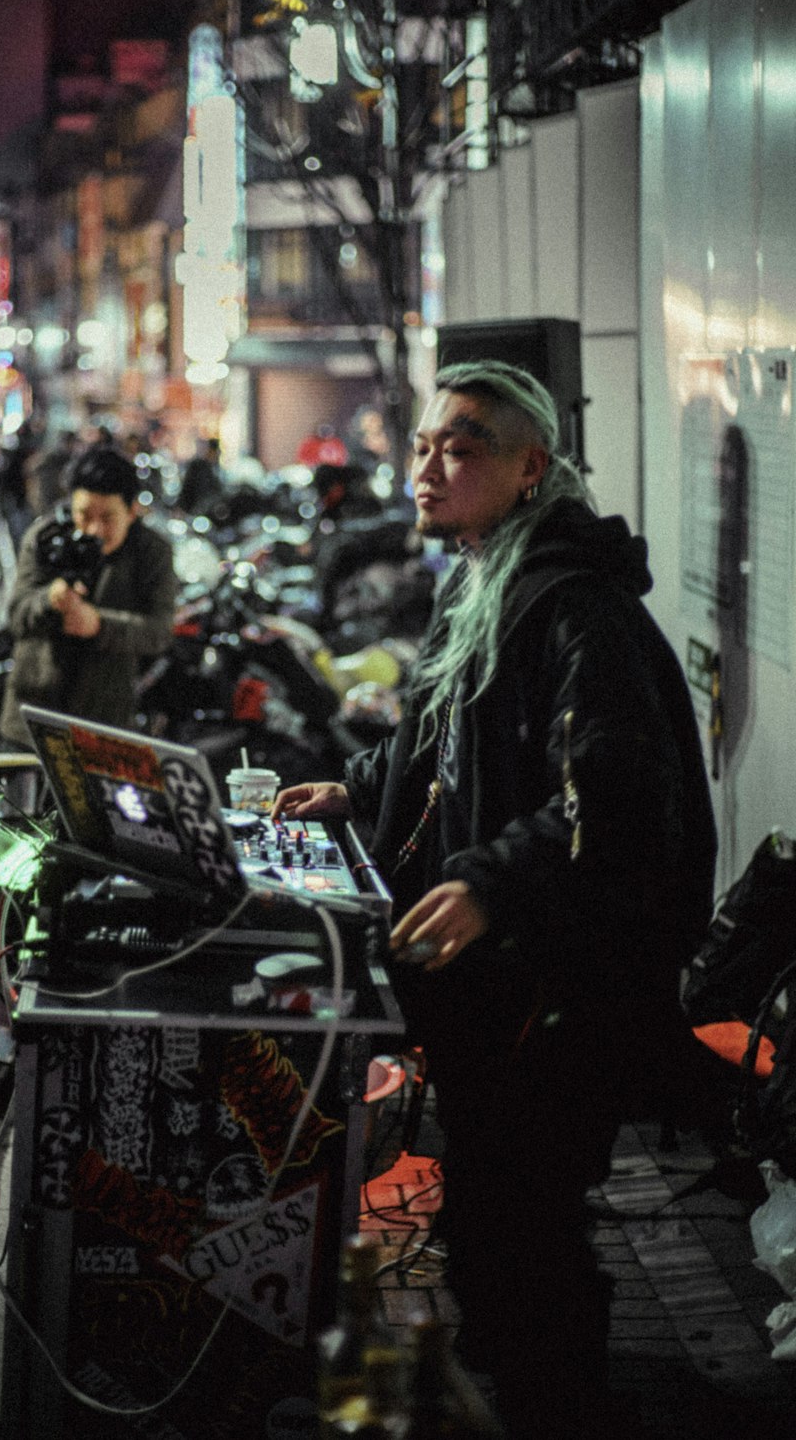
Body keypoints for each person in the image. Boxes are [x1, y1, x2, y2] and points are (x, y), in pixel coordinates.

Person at [272, 360, 717, 1440]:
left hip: (560, 981)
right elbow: (436, 735)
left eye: (460, 446)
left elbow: (615, 790)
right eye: (423, 443)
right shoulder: (481, 576)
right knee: (491, 1201)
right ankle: (513, 1369)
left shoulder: (573, 605)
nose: (428, 464)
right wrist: (355, 787)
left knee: (526, 1214)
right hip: (506, 981)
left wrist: (488, 880)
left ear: (530, 469)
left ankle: (559, 1396)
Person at [0, 446, 178, 748]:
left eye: (107, 518)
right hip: (31, 723)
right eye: (83, 515)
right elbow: (16, 617)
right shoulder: (45, 538)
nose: (94, 529)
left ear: (133, 510)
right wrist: (49, 600)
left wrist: (98, 625)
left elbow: (159, 632)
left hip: (104, 728)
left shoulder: (151, 552)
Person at [177, 436, 224, 515]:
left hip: (210, 511)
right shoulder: (198, 466)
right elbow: (188, 488)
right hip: (196, 510)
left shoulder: (215, 468)